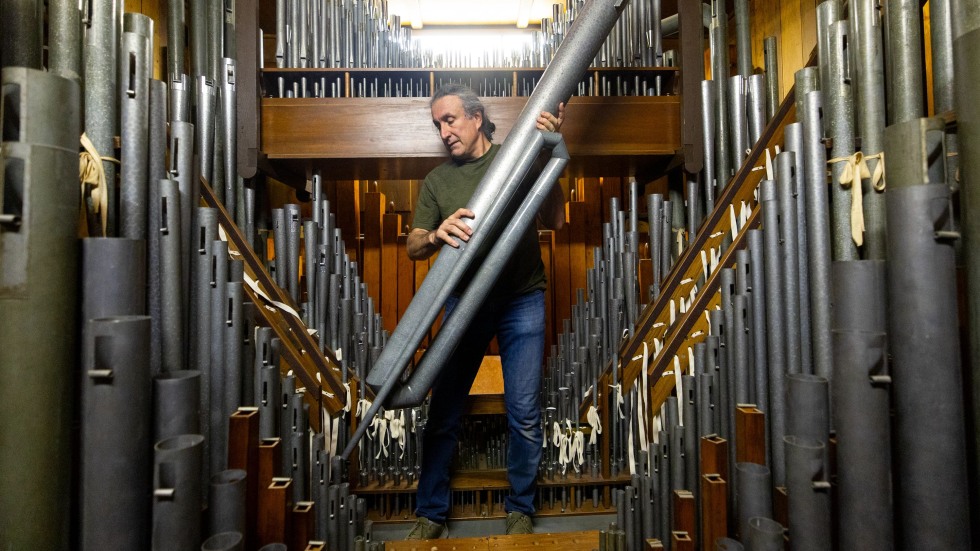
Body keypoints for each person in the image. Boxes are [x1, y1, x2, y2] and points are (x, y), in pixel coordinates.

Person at [405, 83, 566, 539]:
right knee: (444, 411)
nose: (444, 131)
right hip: (464, 304)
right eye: (438, 124)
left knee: (524, 412)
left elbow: (553, 219)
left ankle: (520, 508)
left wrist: (546, 157)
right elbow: (413, 245)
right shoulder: (438, 180)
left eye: (450, 119)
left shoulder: (514, 157)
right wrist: (437, 234)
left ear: (477, 118)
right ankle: (430, 513)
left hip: (522, 299)